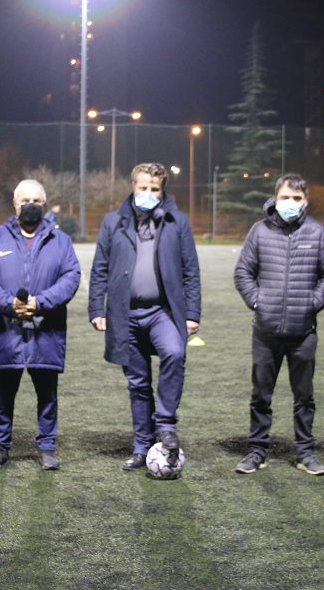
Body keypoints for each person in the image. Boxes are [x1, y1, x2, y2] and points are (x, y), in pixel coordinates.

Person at [88, 162, 201, 471]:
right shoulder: (113, 222)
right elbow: (100, 268)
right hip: (125, 314)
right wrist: (97, 308)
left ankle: (166, 426)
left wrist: (192, 314)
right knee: (137, 383)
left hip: (162, 312)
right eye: (143, 188)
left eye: (155, 189)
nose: (148, 193)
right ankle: (141, 446)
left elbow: (191, 270)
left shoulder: (177, 222)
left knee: (175, 353)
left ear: (162, 192)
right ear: (133, 188)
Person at [233, 173, 324, 476]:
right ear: (275, 198)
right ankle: (257, 451)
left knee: (304, 397)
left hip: (303, 332)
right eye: (285, 197)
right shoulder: (260, 231)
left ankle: (305, 453)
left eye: (296, 198)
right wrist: (258, 302)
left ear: (305, 201)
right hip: (265, 332)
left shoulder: (317, 232)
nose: (290, 203)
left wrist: (311, 304)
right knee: (260, 395)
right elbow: (243, 272)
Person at [0, 180, 81, 472]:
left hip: (46, 333)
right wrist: (9, 303)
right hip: (5, 333)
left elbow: (71, 278)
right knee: (2, 396)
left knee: (47, 395)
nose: (30, 205)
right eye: (25, 200)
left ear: (44, 205)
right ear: (14, 203)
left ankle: (47, 447)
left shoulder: (61, 242)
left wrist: (41, 302)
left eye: (36, 200)